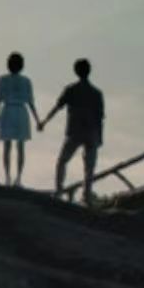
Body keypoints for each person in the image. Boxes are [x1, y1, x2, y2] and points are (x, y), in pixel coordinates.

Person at [40, 57, 106, 201]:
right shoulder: (96, 93)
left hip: (75, 131)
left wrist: (44, 122)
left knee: (62, 161)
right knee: (89, 168)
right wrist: (100, 137)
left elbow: (57, 108)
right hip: (91, 132)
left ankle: (59, 190)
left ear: (76, 71)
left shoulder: (71, 90)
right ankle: (87, 194)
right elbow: (100, 118)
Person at [0, 52, 38, 187]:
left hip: (8, 110)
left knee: (7, 146)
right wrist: (37, 119)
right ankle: (17, 178)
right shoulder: (26, 81)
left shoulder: (2, 79)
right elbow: (31, 103)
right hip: (21, 111)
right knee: (20, 146)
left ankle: (8, 177)